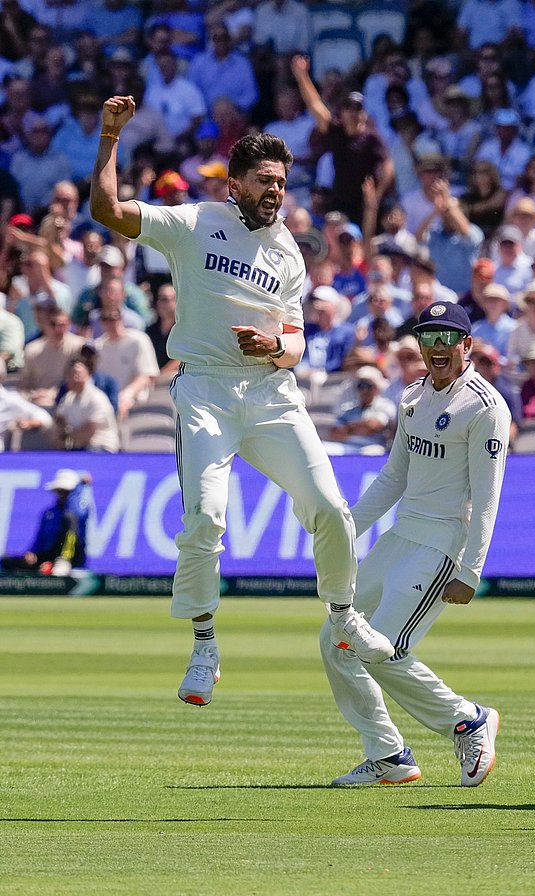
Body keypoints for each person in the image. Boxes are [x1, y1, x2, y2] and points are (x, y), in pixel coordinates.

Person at [89, 94, 394, 708]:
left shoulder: (288, 254)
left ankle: (343, 616)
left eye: (281, 181)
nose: (275, 191)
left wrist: (272, 345)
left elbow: (297, 343)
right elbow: (107, 210)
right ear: (236, 185)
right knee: (205, 516)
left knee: (332, 510)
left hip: (272, 394)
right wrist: (109, 139)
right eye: (264, 181)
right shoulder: (194, 223)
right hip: (204, 388)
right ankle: (204, 644)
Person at [320, 301, 510, 788]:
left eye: (448, 339)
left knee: (381, 644)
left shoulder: (486, 408)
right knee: (337, 640)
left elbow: (488, 498)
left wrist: (470, 570)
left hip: (443, 542)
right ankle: (388, 754)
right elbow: (392, 478)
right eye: (429, 339)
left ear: (468, 345)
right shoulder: (412, 396)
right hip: (402, 535)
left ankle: (466, 719)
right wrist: (344, 529)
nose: (438, 349)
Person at [0, 468, 91, 576]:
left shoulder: (79, 510)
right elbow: (40, 539)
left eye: (66, 491)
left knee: (58, 572)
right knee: (6, 562)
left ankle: (60, 564)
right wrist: (32, 553)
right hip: (47, 555)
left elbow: (74, 513)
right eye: (60, 490)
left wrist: (79, 484)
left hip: (70, 558)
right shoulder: (49, 514)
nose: (62, 494)